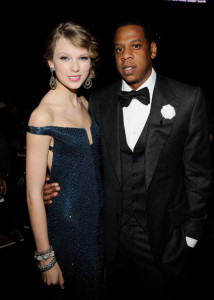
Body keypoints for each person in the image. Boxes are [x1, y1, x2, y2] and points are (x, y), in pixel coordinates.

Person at [43, 20, 213, 299]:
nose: (126, 55)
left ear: (153, 49)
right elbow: (88, 162)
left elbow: (199, 175)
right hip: (111, 242)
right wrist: (55, 184)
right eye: (119, 49)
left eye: (136, 46)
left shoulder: (188, 99)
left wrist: (190, 236)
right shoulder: (99, 101)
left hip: (165, 241)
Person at [26, 21, 104, 299]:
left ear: (90, 62)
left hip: (98, 224)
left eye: (82, 57)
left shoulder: (84, 103)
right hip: (68, 227)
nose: (74, 67)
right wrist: (46, 258)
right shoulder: (42, 115)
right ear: (50, 63)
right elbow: (34, 194)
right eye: (64, 58)